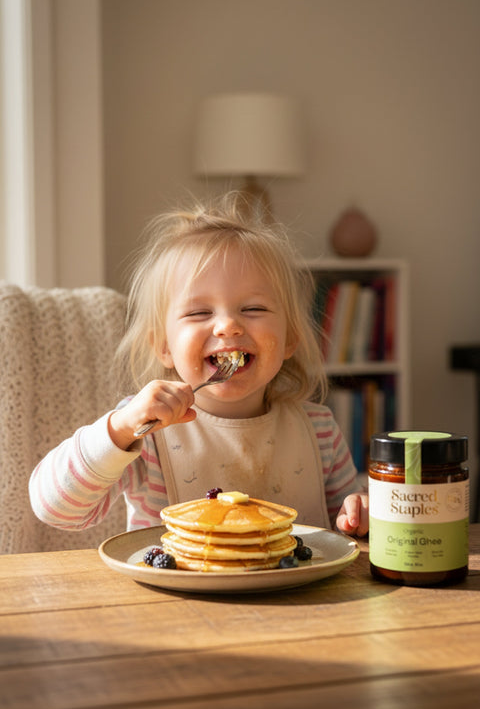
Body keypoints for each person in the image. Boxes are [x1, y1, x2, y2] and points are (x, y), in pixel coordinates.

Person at [29, 192, 368, 538]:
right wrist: (119, 429)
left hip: (300, 592)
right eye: (199, 313)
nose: (227, 326)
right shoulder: (145, 432)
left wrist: (360, 514)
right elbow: (54, 508)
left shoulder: (320, 430)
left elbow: (347, 528)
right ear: (163, 346)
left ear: (290, 339)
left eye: (253, 309)